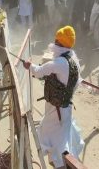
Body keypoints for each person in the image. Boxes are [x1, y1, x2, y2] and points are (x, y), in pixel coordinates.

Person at [22, 26, 84, 168]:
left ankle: (61, 164)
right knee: (62, 138)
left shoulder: (58, 63)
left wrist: (29, 65)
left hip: (56, 111)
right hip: (66, 108)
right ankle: (65, 162)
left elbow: (38, 72)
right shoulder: (74, 59)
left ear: (59, 43)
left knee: (50, 136)